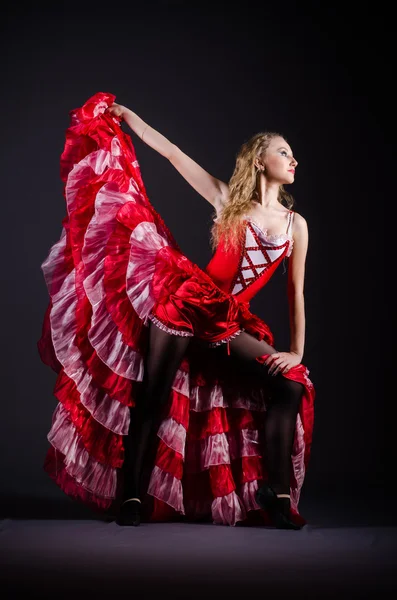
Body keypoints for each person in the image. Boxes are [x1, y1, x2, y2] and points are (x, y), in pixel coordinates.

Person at [38, 92, 315, 531]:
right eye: (284, 152)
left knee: (290, 385)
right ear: (260, 161)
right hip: (187, 305)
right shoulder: (229, 201)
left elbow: (295, 292)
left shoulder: (296, 224)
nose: (293, 159)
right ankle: (131, 495)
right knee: (152, 397)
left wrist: (297, 351)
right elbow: (172, 153)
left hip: (227, 322)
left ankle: (277, 497)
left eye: (293, 154)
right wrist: (129, 117)